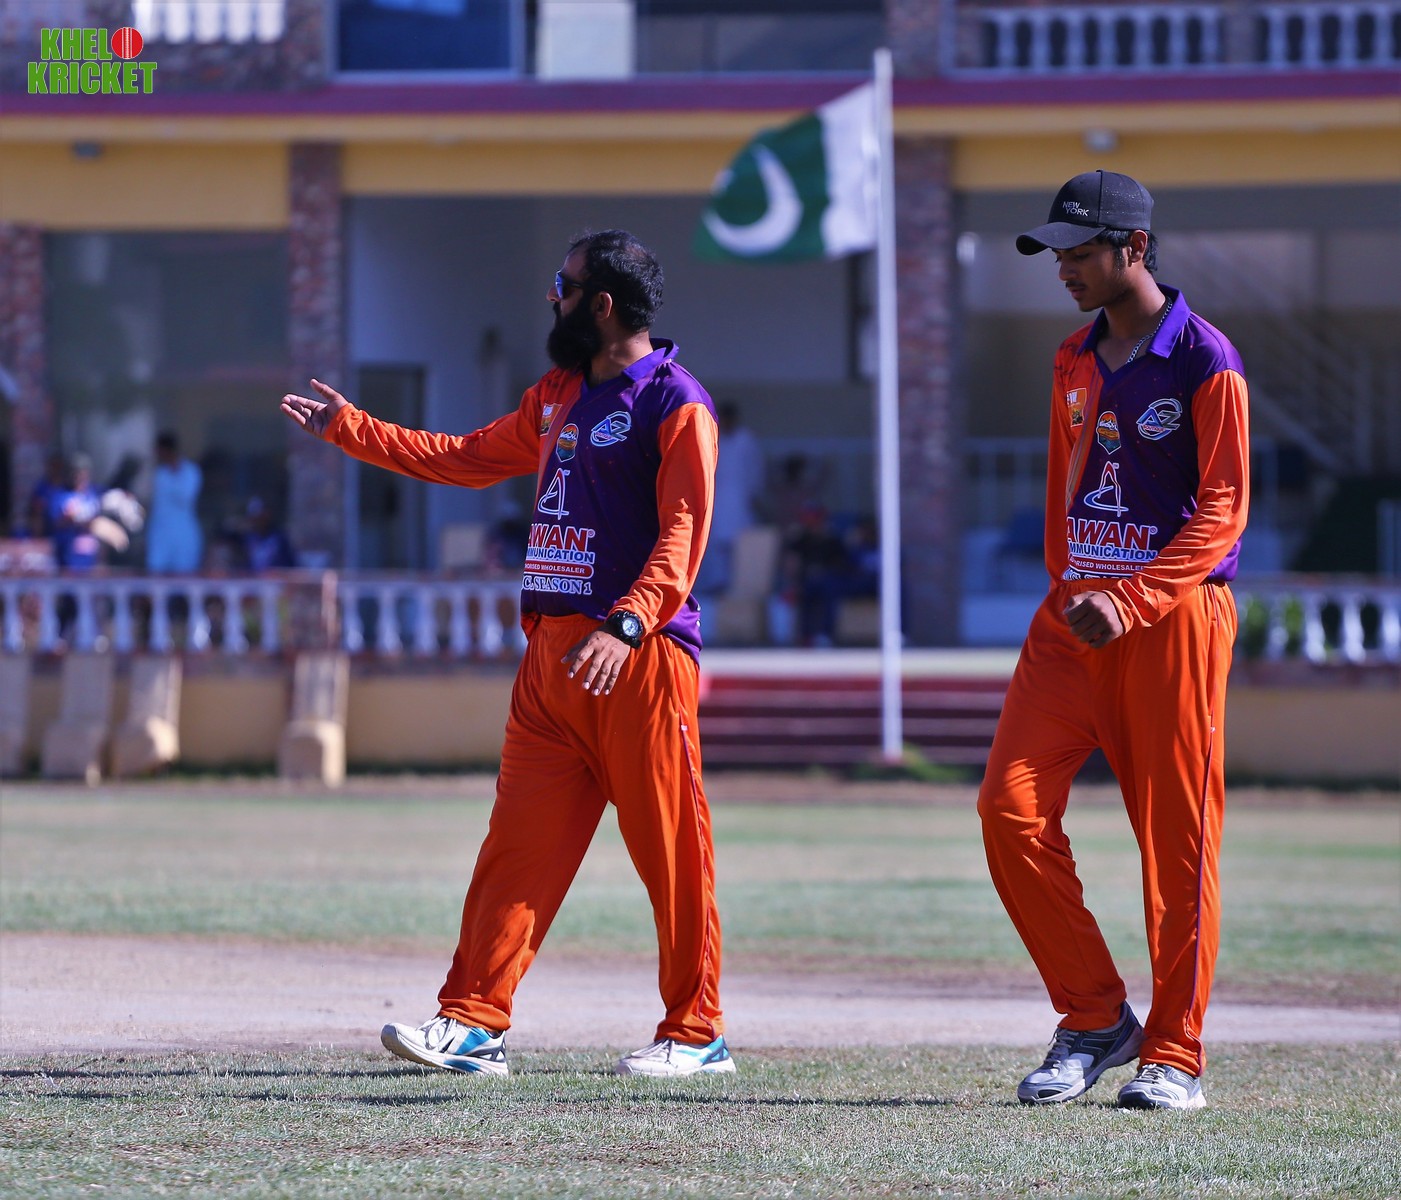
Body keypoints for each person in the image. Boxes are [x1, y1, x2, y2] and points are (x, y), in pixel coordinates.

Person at [280, 229, 732, 1079]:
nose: (551, 298)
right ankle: (471, 1022)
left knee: (672, 852)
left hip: (636, 659)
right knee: (516, 851)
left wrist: (628, 624)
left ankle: (696, 1032)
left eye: (563, 285)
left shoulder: (676, 403)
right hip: (551, 662)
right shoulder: (558, 393)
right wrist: (352, 430)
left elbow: (684, 532)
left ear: (602, 304)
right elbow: (464, 458)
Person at [977, 171, 1249, 1111]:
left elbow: (1223, 509)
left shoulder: (1205, 359)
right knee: (1007, 811)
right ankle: (1094, 1018)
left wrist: (1132, 600)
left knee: (1176, 847)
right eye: (1056, 253)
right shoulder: (1071, 356)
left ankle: (1174, 1055)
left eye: (1080, 251)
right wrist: (1073, 588)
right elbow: (1068, 484)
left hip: (1171, 624)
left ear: (1134, 247)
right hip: (1072, 622)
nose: (1063, 268)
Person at [695, 401, 763, 596]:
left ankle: (740, 586)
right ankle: (717, 584)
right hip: (717, 499)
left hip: (741, 499)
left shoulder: (746, 440)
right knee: (715, 545)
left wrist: (754, 494)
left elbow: (756, 469)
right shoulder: (713, 437)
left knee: (741, 544)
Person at [145, 431, 203, 574]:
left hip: (183, 532)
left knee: (185, 576)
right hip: (160, 532)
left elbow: (186, 497)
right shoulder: (159, 474)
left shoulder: (191, 471)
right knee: (156, 575)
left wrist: (175, 472)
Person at [240, 497, 296, 572]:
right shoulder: (248, 539)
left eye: (261, 517)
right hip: (254, 577)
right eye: (254, 518)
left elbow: (289, 564)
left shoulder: (279, 538)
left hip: (276, 577)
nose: (258, 521)